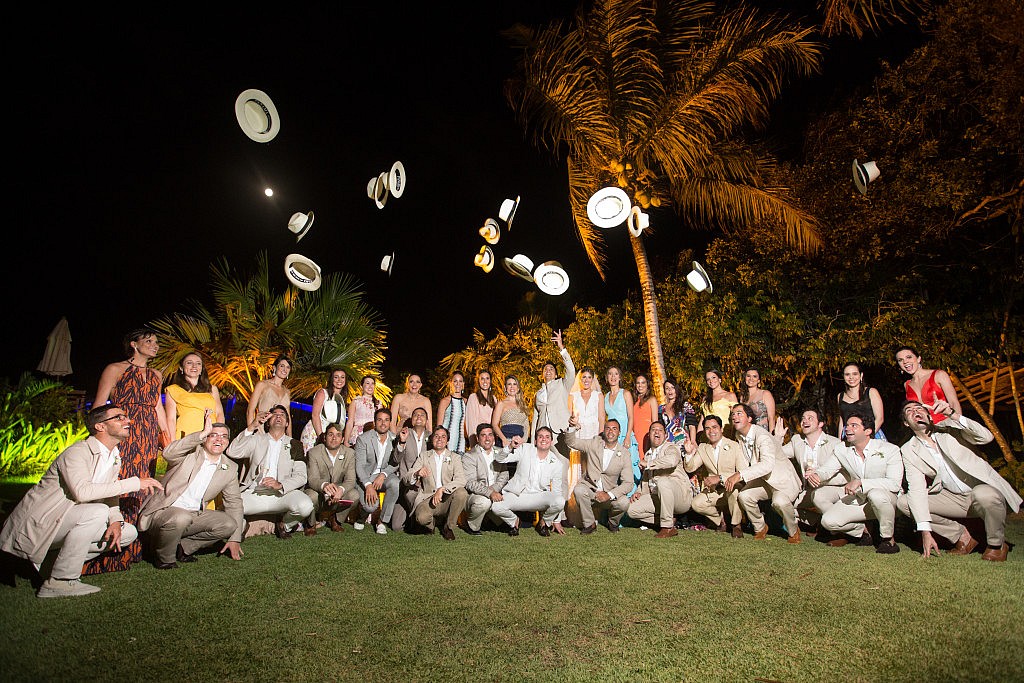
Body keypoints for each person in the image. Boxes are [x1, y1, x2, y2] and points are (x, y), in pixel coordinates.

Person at [0, 404, 162, 597]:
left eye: (126, 417)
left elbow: (109, 494)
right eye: (119, 417)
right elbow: (83, 493)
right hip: (43, 523)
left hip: (72, 521)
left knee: (128, 532)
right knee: (97, 511)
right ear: (100, 426)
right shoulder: (77, 452)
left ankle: (50, 564)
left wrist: (115, 521)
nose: (128, 421)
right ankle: (61, 581)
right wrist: (134, 483)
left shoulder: (113, 457)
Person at [897, 399, 1022, 562]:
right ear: (906, 423)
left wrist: (952, 414)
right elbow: (916, 488)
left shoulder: (950, 428)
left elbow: (987, 437)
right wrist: (925, 531)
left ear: (928, 414)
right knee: (904, 502)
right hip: (954, 498)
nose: (915, 412)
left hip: (982, 491)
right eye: (909, 411)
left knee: (983, 494)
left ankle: (996, 545)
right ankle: (962, 537)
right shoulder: (908, 449)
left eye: (919, 408)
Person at [87, 327, 169, 573]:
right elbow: (100, 405)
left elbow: (157, 408)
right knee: (121, 483)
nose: (155, 345)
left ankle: (135, 545)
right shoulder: (115, 369)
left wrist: (167, 439)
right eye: (149, 341)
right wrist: (98, 438)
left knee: (143, 487)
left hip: (147, 436)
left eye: (156, 341)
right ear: (134, 344)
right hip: (123, 432)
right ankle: (110, 546)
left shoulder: (156, 374)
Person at [138, 411, 244, 567]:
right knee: (181, 517)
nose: (218, 439)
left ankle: (183, 548)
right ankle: (164, 558)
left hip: (193, 515)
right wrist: (201, 434)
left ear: (228, 442)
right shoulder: (189, 453)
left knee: (229, 524)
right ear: (205, 438)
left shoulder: (229, 467)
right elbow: (168, 453)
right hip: (163, 511)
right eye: (213, 435)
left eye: (223, 436)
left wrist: (234, 538)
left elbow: (234, 502)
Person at [810, 412, 903, 553]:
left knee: (877, 495)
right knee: (828, 521)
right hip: (859, 499)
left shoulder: (890, 450)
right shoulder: (842, 449)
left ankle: (887, 539)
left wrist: (861, 482)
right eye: (847, 425)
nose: (847, 429)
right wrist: (817, 475)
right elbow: (828, 469)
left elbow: (894, 484)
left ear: (868, 431)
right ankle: (864, 530)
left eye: (854, 426)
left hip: (887, 500)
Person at [226, 405, 312, 539]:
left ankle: (284, 525)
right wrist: (252, 426)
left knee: (305, 505)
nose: (278, 416)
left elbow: (301, 476)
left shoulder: (295, 444)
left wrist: (281, 485)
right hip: (255, 492)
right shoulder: (256, 439)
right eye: (275, 414)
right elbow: (232, 451)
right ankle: (242, 527)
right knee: (230, 507)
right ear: (267, 422)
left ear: (287, 423)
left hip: (281, 494)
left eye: (282, 414)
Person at [724, 404, 802, 543]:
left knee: (779, 502)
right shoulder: (739, 436)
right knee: (744, 496)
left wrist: (739, 475)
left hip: (782, 481)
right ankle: (760, 527)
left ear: (749, 418)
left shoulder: (762, 437)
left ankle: (793, 530)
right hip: (764, 480)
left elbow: (767, 465)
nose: (734, 417)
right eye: (733, 414)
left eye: (739, 413)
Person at [776, 408, 847, 534]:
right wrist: (778, 438)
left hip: (833, 488)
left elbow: (846, 475)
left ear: (820, 424)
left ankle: (841, 532)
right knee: (782, 504)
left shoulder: (835, 444)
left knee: (819, 496)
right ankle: (817, 522)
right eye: (803, 418)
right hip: (808, 490)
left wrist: (819, 477)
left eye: (810, 418)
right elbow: (777, 454)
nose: (805, 421)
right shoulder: (797, 441)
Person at [492, 427, 567, 536]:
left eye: (547, 437)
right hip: (518, 495)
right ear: (535, 441)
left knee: (560, 500)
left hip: (539, 497)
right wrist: (510, 446)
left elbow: (557, 492)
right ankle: (515, 522)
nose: (543, 439)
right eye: (540, 437)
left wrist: (556, 521)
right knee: (496, 507)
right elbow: (500, 459)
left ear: (551, 441)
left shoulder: (557, 463)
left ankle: (543, 523)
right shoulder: (525, 449)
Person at [563, 416, 633, 533]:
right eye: (608, 428)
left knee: (624, 502)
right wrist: (572, 427)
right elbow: (572, 442)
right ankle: (589, 524)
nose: (611, 432)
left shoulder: (624, 454)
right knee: (579, 490)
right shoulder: (594, 443)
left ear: (619, 432)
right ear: (604, 431)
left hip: (609, 494)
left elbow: (629, 483)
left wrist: (609, 494)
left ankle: (613, 523)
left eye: (614, 429)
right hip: (591, 491)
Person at [626, 421, 692, 538]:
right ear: (649, 434)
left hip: (680, 497)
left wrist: (649, 464)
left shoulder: (671, 447)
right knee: (631, 509)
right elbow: (645, 480)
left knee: (662, 481)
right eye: (653, 430)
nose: (656, 432)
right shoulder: (648, 455)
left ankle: (667, 528)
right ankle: (669, 520)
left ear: (666, 435)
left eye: (660, 430)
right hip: (659, 497)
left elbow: (671, 460)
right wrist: (639, 492)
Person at [681, 415, 743, 535]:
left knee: (734, 492)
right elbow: (691, 468)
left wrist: (720, 478)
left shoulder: (734, 446)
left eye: (714, 427)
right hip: (714, 491)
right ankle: (721, 522)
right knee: (696, 504)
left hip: (732, 487)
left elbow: (742, 472)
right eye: (707, 428)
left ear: (721, 429)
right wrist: (688, 454)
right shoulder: (703, 448)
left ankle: (736, 525)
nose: (711, 431)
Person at [405, 426, 469, 540]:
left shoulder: (455, 457)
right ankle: (431, 525)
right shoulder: (424, 456)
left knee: (461, 493)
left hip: (447, 497)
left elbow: (461, 480)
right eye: (436, 436)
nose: (440, 439)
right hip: (428, 497)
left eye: (443, 436)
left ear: (447, 441)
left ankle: (448, 527)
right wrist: (417, 473)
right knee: (421, 518)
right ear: (432, 439)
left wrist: (443, 489)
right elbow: (406, 478)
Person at [302, 423, 358, 534]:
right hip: (319, 491)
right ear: (324, 437)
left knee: (354, 495)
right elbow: (312, 479)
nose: (334, 438)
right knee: (310, 496)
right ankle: (311, 523)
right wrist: (324, 486)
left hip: (337, 491)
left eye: (338, 435)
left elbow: (351, 480)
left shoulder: (350, 453)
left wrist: (341, 490)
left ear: (342, 439)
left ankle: (336, 520)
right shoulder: (314, 452)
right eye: (330, 434)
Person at [353, 408, 401, 535]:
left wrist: (383, 474)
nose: (383, 423)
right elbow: (359, 466)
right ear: (375, 422)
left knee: (395, 483)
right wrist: (368, 485)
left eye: (386, 420)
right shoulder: (363, 439)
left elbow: (395, 463)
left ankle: (381, 522)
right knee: (371, 506)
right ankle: (362, 517)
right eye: (379, 420)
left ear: (390, 422)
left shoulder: (394, 439)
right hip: (366, 477)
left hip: (384, 475)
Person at [461, 424, 512, 535]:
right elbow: (470, 483)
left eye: (490, 435)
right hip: (476, 495)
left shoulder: (500, 452)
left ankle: (493, 522)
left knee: (512, 498)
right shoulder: (469, 456)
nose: (487, 438)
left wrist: (494, 490)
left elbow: (504, 475)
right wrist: (489, 493)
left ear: (494, 437)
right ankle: (472, 526)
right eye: (483, 435)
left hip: (496, 491)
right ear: (478, 439)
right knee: (484, 502)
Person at [531, 330, 576, 452]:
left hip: (559, 431)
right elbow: (535, 417)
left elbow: (571, 371)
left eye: (551, 369)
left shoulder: (562, 384)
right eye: (545, 369)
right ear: (542, 374)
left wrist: (562, 348)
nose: (548, 371)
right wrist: (532, 442)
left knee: (562, 465)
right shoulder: (538, 394)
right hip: (542, 435)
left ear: (556, 374)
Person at [163, 351, 225, 441]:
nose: (194, 366)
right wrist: (172, 443)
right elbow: (171, 419)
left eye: (198, 363)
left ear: (202, 369)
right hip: (186, 437)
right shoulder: (173, 390)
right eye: (189, 363)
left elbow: (219, 414)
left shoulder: (212, 389)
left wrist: (218, 435)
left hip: (210, 437)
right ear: (181, 368)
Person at [896, 346, 962, 425]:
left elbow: (953, 402)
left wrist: (959, 425)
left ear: (918, 359)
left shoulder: (939, 375)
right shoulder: (907, 385)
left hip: (948, 425)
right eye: (900, 360)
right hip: (927, 431)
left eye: (909, 357)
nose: (905, 362)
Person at [391, 407, 431, 531]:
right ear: (412, 420)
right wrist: (402, 442)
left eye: (422, 415)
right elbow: (395, 460)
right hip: (406, 484)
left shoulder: (433, 437)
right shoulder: (404, 434)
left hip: (425, 485)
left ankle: (420, 519)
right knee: (396, 527)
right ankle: (412, 517)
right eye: (415, 415)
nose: (419, 417)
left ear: (427, 420)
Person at [300, 369, 348, 454]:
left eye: (342, 377)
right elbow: (315, 415)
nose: (339, 380)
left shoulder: (341, 398)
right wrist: (321, 437)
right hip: (315, 433)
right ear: (331, 379)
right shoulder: (323, 393)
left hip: (329, 436)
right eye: (336, 377)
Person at [836, 361, 885, 440]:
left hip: (871, 436)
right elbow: (842, 420)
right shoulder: (840, 396)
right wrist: (839, 440)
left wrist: (866, 437)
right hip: (848, 436)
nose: (851, 377)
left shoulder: (871, 392)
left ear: (861, 375)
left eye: (855, 374)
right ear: (843, 377)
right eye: (847, 374)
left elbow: (880, 418)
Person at [247, 356, 293, 436]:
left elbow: (288, 417)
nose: (285, 369)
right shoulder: (262, 385)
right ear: (275, 368)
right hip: (261, 432)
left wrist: (289, 439)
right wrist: (251, 433)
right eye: (282, 366)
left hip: (279, 435)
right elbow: (250, 410)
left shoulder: (287, 391)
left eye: (288, 367)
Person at [492, 375, 530, 449]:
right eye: (509, 384)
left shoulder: (523, 405)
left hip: (520, 444)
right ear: (505, 388)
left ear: (518, 388)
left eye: (514, 384)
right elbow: (494, 424)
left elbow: (526, 426)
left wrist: (523, 441)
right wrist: (504, 440)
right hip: (505, 443)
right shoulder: (501, 404)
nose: (512, 387)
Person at [660, 377, 697, 449]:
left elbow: (692, 426)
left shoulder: (686, 406)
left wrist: (693, 441)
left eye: (672, 388)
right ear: (664, 391)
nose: (670, 390)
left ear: (676, 389)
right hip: (667, 444)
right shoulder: (661, 409)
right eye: (667, 388)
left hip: (684, 442)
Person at [345, 375, 382, 447]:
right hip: (358, 436)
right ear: (362, 386)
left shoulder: (378, 403)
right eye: (367, 383)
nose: (370, 386)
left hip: (373, 436)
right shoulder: (356, 401)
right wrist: (346, 441)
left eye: (372, 383)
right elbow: (350, 422)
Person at [436, 371, 468, 455]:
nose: (458, 384)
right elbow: (439, 426)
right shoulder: (445, 401)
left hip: (461, 442)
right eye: (455, 381)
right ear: (451, 383)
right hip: (446, 442)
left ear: (463, 384)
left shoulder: (466, 402)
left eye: (460, 381)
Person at [569, 367, 605, 440]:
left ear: (592, 380)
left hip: (594, 433)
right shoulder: (573, 396)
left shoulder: (598, 396)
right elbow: (569, 417)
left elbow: (601, 418)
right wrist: (574, 423)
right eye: (584, 377)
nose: (586, 380)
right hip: (578, 433)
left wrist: (600, 435)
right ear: (580, 379)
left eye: (589, 377)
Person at [700, 369, 738, 437]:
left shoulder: (730, 395)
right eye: (708, 379)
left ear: (719, 379)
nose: (711, 381)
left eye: (713, 377)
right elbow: (702, 420)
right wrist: (697, 437)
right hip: (708, 435)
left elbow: (736, 417)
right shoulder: (705, 399)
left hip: (725, 434)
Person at [465, 369, 497, 449]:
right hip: (479, 438)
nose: (485, 381)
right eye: (482, 379)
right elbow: (470, 423)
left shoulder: (494, 399)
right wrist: (474, 444)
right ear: (478, 381)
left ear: (490, 381)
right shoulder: (473, 397)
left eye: (487, 378)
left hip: (491, 439)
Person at [739, 367, 776, 433]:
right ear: (745, 378)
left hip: (763, 433)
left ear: (758, 380)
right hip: (747, 434)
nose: (751, 379)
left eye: (754, 376)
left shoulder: (765, 394)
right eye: (748, 376)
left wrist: (772, 437)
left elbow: (771, 418)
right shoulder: (743, 397)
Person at [632, 373, 659, 456]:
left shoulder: (652, 399)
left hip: (646, 434)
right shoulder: (634, 400)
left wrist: (654, 437)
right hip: (635, 434)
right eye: (638, 383)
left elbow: (655, 422)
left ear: (647, 384)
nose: (640, 385)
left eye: (643, 383)